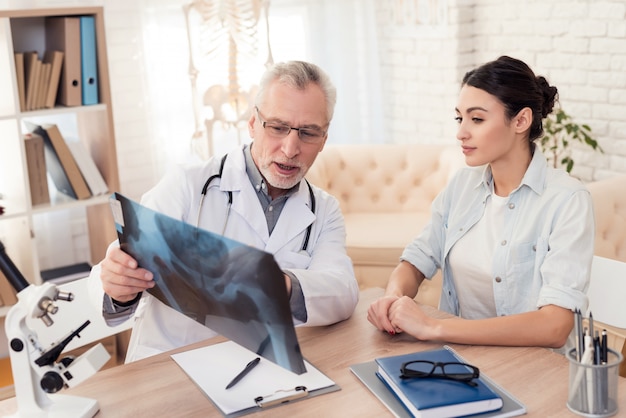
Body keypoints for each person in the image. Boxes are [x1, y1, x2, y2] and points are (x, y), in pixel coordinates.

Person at [88, 60, 359, 362]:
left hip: (265, 371)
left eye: (308, 133)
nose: (290, 148)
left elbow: (343, 291)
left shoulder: (324, 211)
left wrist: (276, 284)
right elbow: (116, 268)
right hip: (171, 368)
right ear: (253, 123)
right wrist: (117, 287)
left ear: (324, 138)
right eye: (278, 127)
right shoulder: (188, 186)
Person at [368, 56, 594, 352]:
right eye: (459, 118)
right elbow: (417, 258)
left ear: (521, 121)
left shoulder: (567, 200)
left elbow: (555, 326)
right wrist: (394, 297)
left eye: (476, 119)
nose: (461, 132)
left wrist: (433, 326)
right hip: (466, 359)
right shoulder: (462, 185)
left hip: (538, 371)